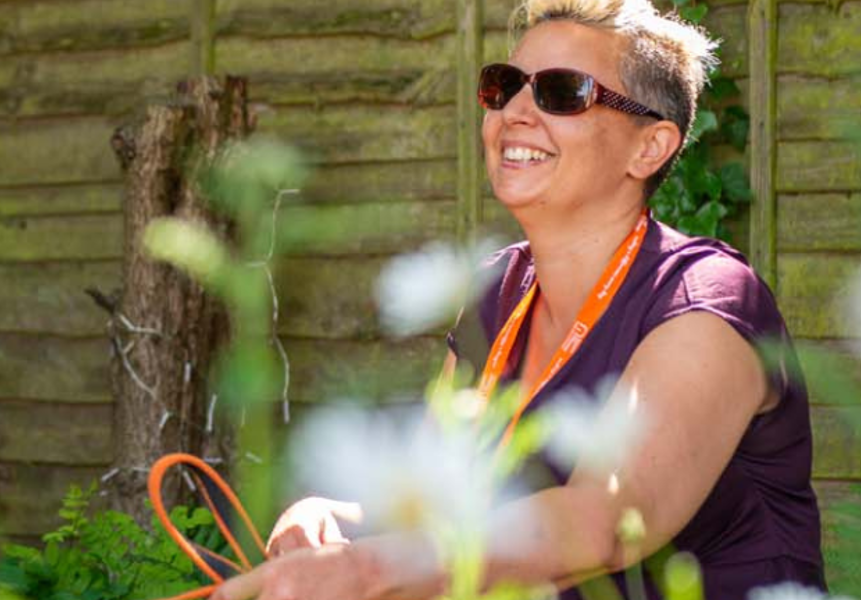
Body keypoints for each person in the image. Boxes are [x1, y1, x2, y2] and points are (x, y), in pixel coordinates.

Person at [216, 0, 824, 598]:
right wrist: (334, 519)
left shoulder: (707, 300)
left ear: (651, 147)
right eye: (504, 86)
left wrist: (367, 570)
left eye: (562, 92)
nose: (515, 111)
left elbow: (605, 522)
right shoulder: (494, 296)